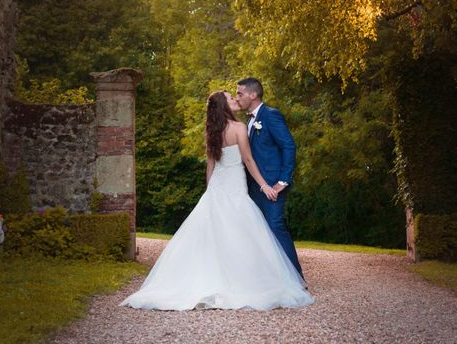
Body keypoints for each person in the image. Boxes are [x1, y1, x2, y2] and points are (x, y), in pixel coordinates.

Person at [120, 91, 313, 311]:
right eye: (231, 98)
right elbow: (248, 159)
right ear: (224, 106)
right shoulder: (239, 128)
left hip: (218, 185)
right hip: (235, 184)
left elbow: (210, 165)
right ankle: (241, 279)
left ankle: (213, 276)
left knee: (215, 231)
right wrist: (263, 185)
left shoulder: (212, 131)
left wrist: (209, 190)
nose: (235, 100)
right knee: (240, 230)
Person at [235, 77, 304, 278]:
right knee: (258, 230)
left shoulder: (271, 115)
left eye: (240, 93)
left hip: (272, 185)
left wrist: (283, 180)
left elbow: (289, 145)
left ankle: (296, 277)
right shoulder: (249, 120)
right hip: (253, 186)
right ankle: (268, 277)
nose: (238, 97)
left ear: (253, 94)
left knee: (275, 225)